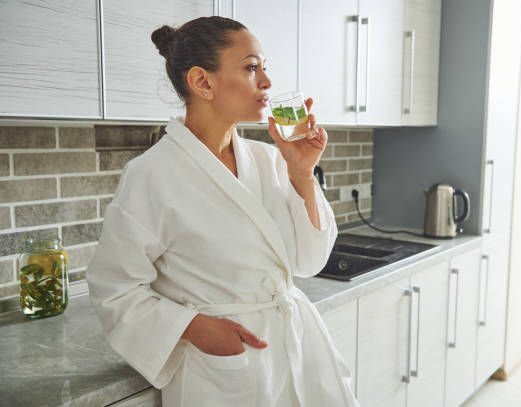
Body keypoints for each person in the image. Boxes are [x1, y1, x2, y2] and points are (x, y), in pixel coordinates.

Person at [86, 16, 360, 407]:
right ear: (202, 82)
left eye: (265, 68)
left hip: (297, 349)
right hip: (224, 372)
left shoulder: (270, 159)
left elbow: (310, 261)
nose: (266, 82)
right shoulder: (152, 174)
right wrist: (193, 328)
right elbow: (114, 287)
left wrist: (301, 173)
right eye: (251, 68)